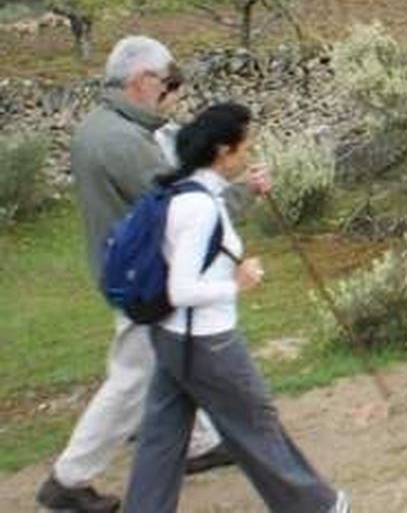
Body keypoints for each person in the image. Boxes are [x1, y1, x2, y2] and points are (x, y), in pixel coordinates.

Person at [38, 37, 257, 513]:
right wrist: (242, 192)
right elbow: (180, 201)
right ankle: (68, 480)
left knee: (166, 361)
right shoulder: (121, 140)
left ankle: (197, 445)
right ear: (142, 81)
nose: (172, 91)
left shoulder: (106, 126)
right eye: (167, 82)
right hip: (143, 281)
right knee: (132, 379)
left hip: (127, 271)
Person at [123, 104, 345, 513]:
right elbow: (183, 288)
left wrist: (247, 188)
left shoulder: (182, 189)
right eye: (245, 146)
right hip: (207, 342)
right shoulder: (200, 207)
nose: (249, 154)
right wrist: (235, 283)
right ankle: (317, 507)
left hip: (171, 337)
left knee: (161, 438)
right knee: (255, 424)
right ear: (224, 151)